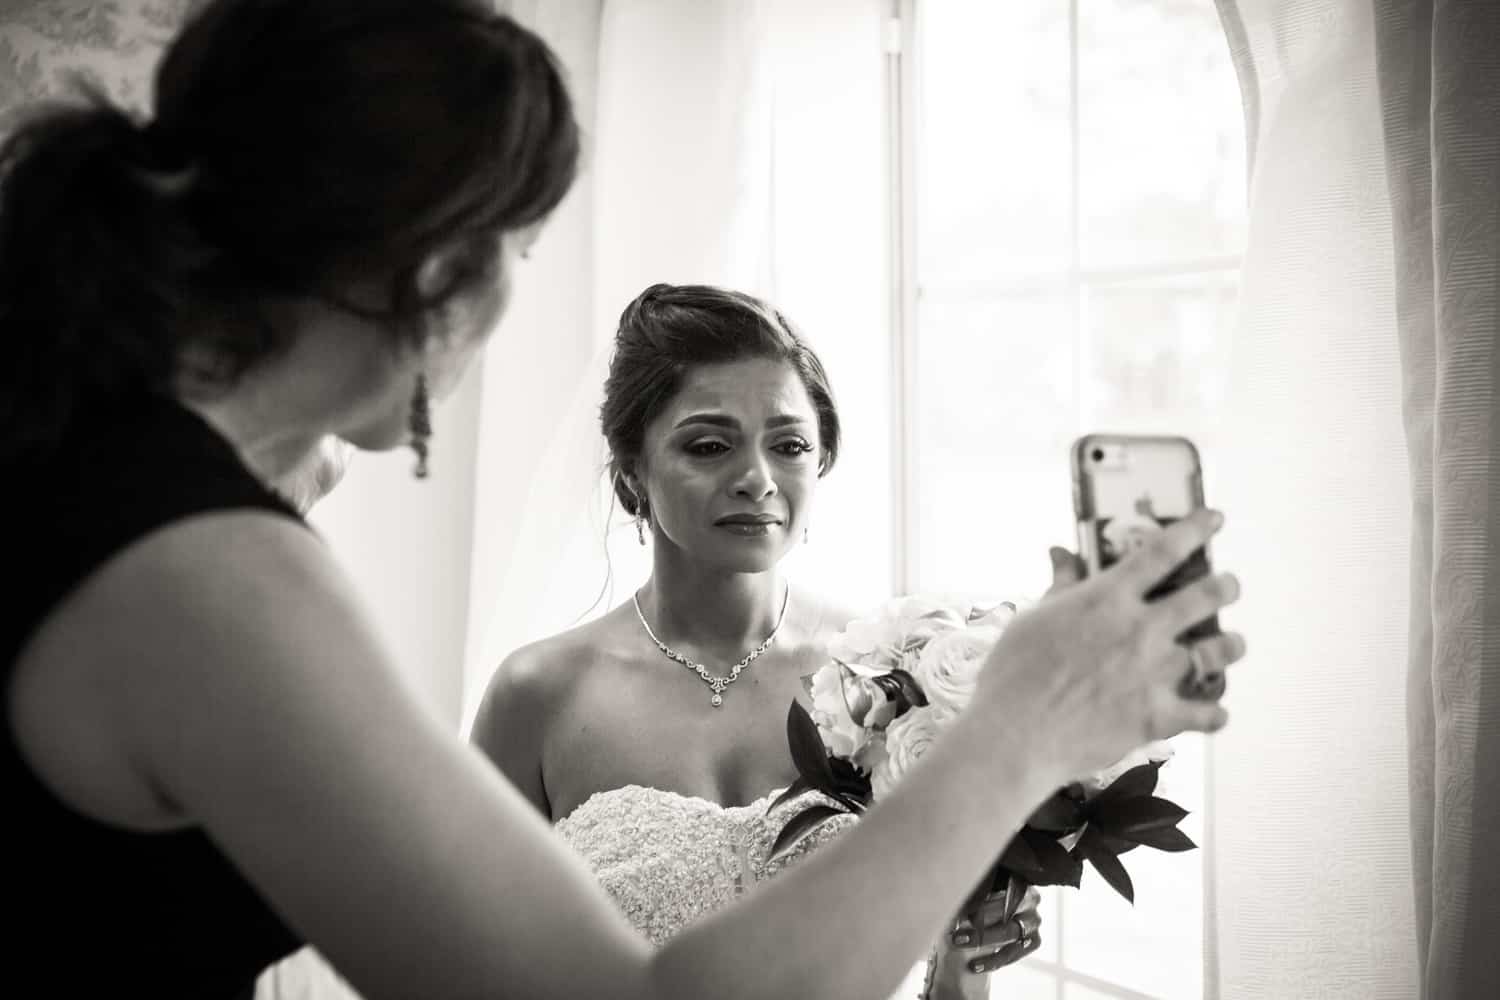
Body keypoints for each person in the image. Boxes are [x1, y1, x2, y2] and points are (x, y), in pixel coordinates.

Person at [0, 1, 1247, 998]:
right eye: (525, 252)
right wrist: (1020, 730)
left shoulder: (91, 468)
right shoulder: (208, 576)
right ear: (444, 270)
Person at [471, 284, 1060, 997]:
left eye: (788, 446)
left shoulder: (898, 679)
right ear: (632, 470)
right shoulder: (538, 696)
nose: (757, 479)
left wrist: (968, 953)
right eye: (710, 445)